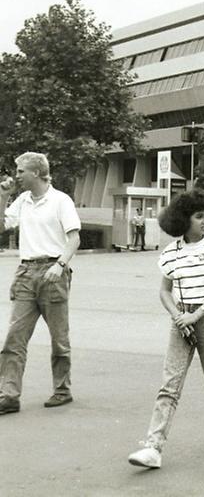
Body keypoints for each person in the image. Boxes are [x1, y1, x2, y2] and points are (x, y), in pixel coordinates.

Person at [128, 189, 204, 469]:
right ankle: (153, 447)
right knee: (169, 384)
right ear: (182, 219)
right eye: (198, 216)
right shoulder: (171, 253)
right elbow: (165, 291)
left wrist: (197, 314)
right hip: (182, 320)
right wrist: (178, 315)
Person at [0, 152, 81, 416]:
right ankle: (9, 395)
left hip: (53, 271)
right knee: (14, 338)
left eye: (20, 170)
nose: (16, 175)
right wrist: (3, 196)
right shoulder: (22, 200)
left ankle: (62, 389)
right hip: (26, 272)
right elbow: (2, 226)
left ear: (36, 172)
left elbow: (74, 239)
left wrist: (60, 265)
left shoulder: (60, 201)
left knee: (59, 338)